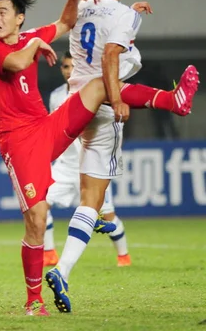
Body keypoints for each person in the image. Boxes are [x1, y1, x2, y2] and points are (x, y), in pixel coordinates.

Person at [0, 0, 199, 316]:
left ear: (19, 18)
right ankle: (34, 301)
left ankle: (172, 100)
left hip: (45, 127)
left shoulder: (29, 35)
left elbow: (65, 24)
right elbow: (19, 63)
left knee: (98, 86)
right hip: (18, 144)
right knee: (37, 220)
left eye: (2, 12)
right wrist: (36, 41)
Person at [45, 0, 200, 313]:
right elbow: (111, 55)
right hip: (100, 105)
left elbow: (71, 23)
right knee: (92, 200)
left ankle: (62, 272)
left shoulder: (83, 6)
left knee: (87, 200)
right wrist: (115, 99)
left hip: (73, 102)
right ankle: (170, 100)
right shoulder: (125, 15)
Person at [44, 51, 131, 268]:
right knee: (40, 202)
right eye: (65, 67)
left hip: (91, 166)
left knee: (108, 216)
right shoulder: (56, 96)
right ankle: (49, 254)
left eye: (74, 66)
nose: (69, 71)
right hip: (65, 166)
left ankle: (123, 256)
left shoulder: (96, 91)